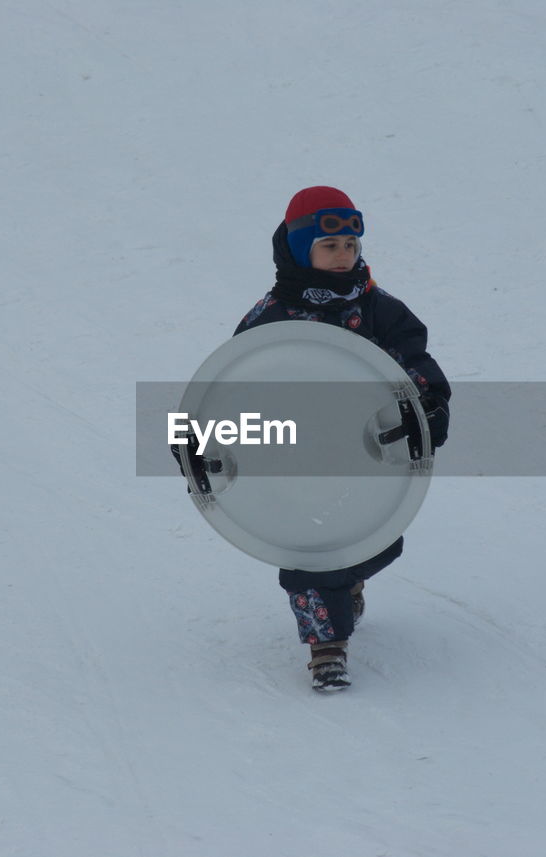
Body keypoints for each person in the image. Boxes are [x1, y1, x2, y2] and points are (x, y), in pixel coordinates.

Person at [234, 186, 451, 691]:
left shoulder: (379, 310)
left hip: (368, 453)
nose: (343, 255)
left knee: (377, 539)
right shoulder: (270, 318)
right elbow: (228, 388)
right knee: (309, 552)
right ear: (298, 247)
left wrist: (429, 406)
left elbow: (413, 361)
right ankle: (326, 646)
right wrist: (205, 446)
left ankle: (350, 582)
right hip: (294, 458)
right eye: (329, 245)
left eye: (351, 245)